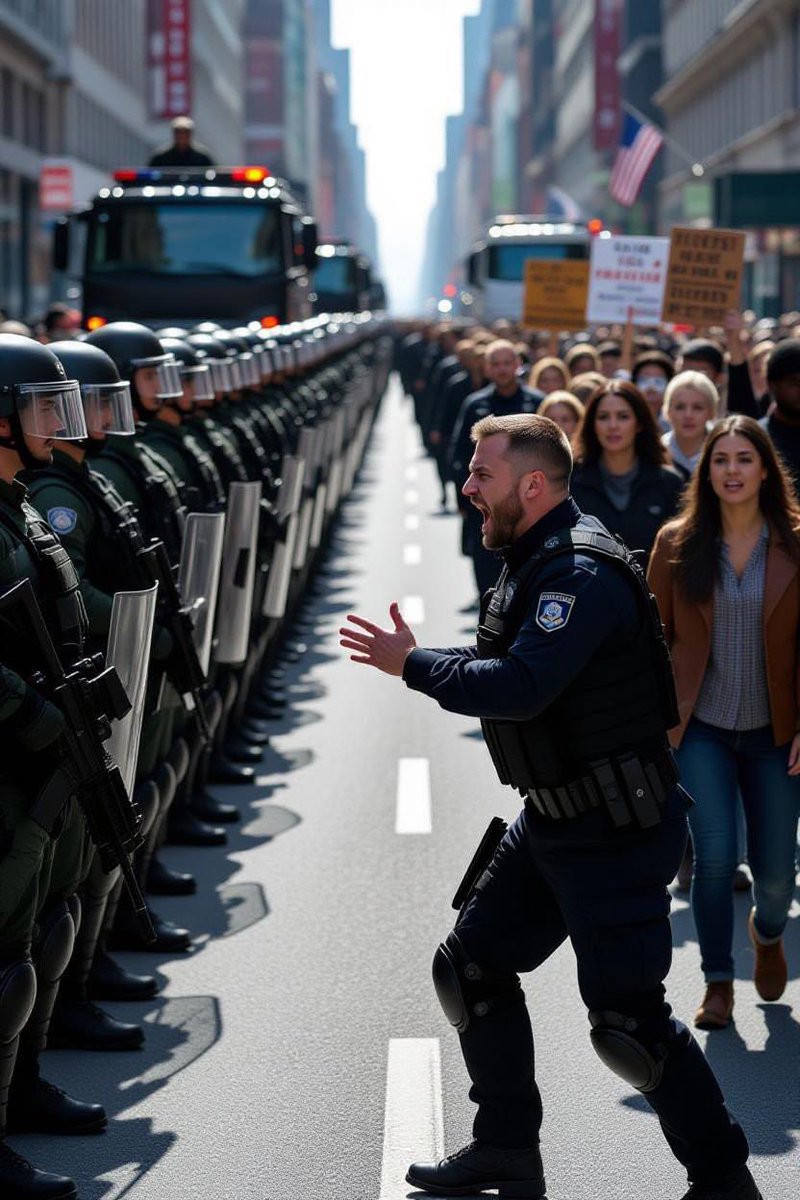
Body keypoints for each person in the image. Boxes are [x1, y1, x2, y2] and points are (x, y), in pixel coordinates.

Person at [339, 413, 760, 1200]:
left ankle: (724, 1179)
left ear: (531, 485)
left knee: (628, 1026)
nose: (467, 486)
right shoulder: (533, 555)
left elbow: (521, 687)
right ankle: (505, 1146)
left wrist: (414, 667)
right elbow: (501, 657)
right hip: (553, 820)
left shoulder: (579, 574)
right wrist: (427, 655)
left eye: (481, 475)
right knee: (470, 967)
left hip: (617, 830)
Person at [648, 415, 800, 1032]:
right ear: (705, 473)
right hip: (702, 729)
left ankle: (767, 935)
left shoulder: (794, 542)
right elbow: (652, 640)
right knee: (713, 859)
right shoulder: (677, 542)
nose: (732, 471)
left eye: (744, 459)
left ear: (765, 469)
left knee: (775, 875)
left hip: (776, 734)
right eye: (721, 460)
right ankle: (717, 984)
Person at [0, 334, 106, 1198]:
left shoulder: (17, 505)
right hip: (7, 754)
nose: (54, 421)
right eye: (37, 405)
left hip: (42, 756)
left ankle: (19, 1088)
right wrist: (28, 711)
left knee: (41, 926)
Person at [447, 341, 542, 596]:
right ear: (487, 368)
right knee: (488, 587)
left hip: (530, 510)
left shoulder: (536, 403)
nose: (502, 369)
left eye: (507, 363)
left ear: (518, 365)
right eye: (496, 364)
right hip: (487, 512)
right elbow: (459, 456)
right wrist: (465, 500)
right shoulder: (474, 404)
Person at [571, 380, 684, 563]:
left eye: (623, 416)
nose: (612, 425)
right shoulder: (572, 480)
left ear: (639, 424)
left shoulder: (669, 483)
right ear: (592, 424)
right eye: (603, 417)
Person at [662, 371, 718, 481]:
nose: (688, 415)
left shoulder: (723, 450)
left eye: (698, 407)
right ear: (668, 412)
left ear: (711, 412)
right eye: (680, 407)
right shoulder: (657, 453)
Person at [149, 115, 214, 168]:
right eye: (179, 132)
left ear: (190, 134)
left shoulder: (202, 157)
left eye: (185, 132)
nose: (182, 136)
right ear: (174, 134)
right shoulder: (161, 158)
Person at [632, 350, 675, 429]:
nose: (651, 389)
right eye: (644, 381)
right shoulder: (624, 423)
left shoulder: (677, 425)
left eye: (658, 382)